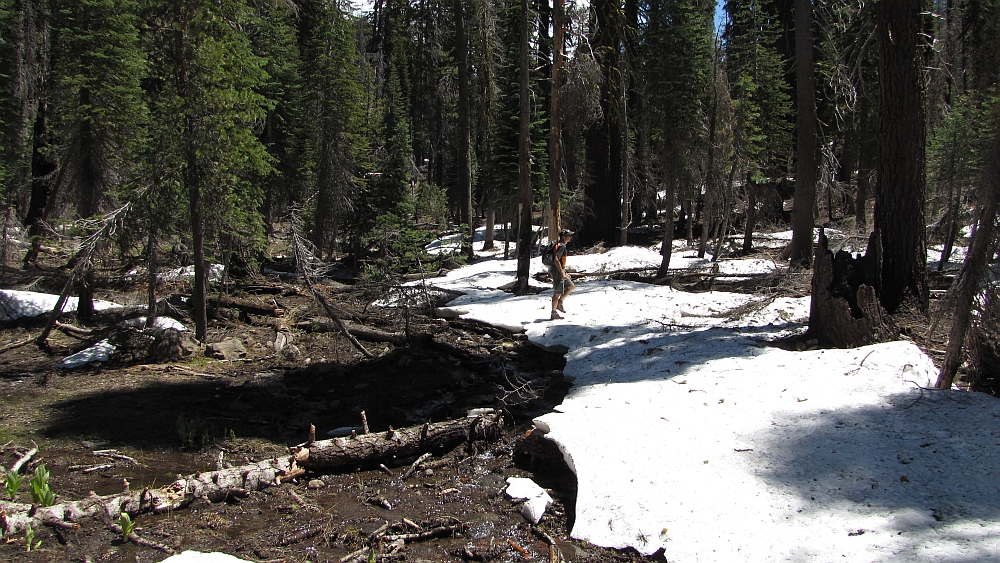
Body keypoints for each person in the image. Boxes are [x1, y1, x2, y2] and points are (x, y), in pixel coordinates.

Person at [549, 229, 576, 320]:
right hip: (557, 271)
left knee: (571, 286)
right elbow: (556, 259)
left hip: (559, 270)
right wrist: (561, 273)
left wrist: (564, 272)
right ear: (564, 237)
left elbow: (559, 261)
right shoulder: (562, 246)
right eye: (569, 235)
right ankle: (553, 313)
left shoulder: (560, 245)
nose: (570, 237)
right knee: (557, 292)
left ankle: (559, 303)